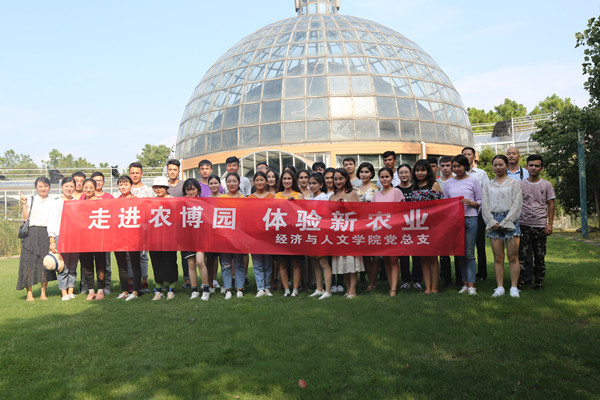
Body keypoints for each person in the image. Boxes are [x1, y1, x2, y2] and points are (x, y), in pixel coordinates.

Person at [481, 154, 523, 299]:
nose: (498, 167)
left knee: (513, 257)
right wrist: (491, 221)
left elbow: (517, 203)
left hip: (511, 221)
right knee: (498, 257)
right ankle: (499, 287)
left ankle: (514, 287)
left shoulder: (514, 183)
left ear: (506, 165)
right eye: (495, 165)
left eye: (501, 164)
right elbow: (484, 205)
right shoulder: (488, 184)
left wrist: (507, 220)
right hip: (494, 221)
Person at [444, 155, 482, 295]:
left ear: (465, 166)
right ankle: (464, 283)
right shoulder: (448, 183)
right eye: (454, 166)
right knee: (459, 252)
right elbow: (445, 202)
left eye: (459, 166)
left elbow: (481, 200)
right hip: (455, 220)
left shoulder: (473, 181)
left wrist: (471, 203)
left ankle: (472, 284)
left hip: (470, 218)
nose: (456, 169)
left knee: (469, 253)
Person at [518, 155, 555, 291]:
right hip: (523, 224)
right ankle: (520, 282)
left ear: (541, 168)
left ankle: (538, 283)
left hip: (540, 225)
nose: (533, 168)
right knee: (522, 256)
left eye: (537, 166)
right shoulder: (520, 184)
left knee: (539, 256)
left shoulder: (546, 185)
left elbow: (551, 204)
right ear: (526, 167)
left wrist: (549, 224)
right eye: (531, 165)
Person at [17, 177, 57, 301]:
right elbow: (25, 218)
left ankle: (43, 293)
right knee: (28, 264)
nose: (43, 188)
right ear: (36, 187)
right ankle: (29, 293)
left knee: (44, 265)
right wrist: (24, 205)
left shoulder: (53, 201)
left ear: (49, 187)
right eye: (40, 186)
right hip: (31, 234)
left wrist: (52, 239)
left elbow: (54, 220)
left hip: (46, 233)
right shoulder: (30, 199)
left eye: (45, 186)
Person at [329, 168, 364, 298]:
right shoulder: (332, 196)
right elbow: (329, 215)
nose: (338, 181)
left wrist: (345, 207)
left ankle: (352, 290)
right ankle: (347, 288)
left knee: (351, 261)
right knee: (342, 262)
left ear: (346, 179)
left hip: (351, 232)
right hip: (338, 233)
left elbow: (359, 212)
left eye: (341, 178)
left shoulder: (352, 194)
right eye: (335, 179)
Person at [411, 160, 443, 295]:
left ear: (428, 171)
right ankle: (427, 288)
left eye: (423, 170)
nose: (420, 173)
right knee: (423, 258)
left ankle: (435, 288)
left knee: (433, 258)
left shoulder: (434, 184)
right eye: (417, 170)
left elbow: (440, 205)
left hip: (432, 225)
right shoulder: (414, 186)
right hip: (418, 226)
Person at [373, 167, 405, 296]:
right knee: (385, 259)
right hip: (381, 230)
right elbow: (372, 213)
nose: (384, 179)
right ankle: (391, 286)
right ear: (379, 179)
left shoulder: (397, 192)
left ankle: (394, 288)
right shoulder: (376, 195)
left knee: (393, 258)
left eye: (387, 176)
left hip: (394, 229)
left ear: (391, 178)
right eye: (382, 177)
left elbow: (403, 211)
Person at [48, 177, 79, 301]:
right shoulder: (56, 203)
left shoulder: (77, 202)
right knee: (63, 266)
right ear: (62, 187)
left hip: (75, 237)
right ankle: (64, 293)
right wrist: (52, 240)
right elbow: (52, 221)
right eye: (66, 186)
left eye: (71, 186)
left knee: (73, 265)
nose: (69, 189)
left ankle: (71, 291)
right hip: (60, 236)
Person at [275, 168, 304, 297]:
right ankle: (286, 289)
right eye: (284, 179)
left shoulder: (299, 195)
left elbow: (304, 213)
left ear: (293, 180)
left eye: (289, 178)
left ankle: (295, 289)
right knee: (282, 262)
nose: (286, 181)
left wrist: (295, 203)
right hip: (281, 233)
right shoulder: (277, 195)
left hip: (295, 233)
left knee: (296, 262)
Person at [149, 176, 179, 300]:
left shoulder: (174, 200)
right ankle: (159, 289)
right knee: (156, 262)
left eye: (161, 187)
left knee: (170, 262)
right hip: (154, 238)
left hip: (170, 238)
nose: (158, 189)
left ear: (166, 188)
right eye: (156, 187)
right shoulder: (150, 201)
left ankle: (171, 289)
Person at [462, 147, 489, 281]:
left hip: (478, 213)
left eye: (469, 154)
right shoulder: (456, 174)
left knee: (480, 245)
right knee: (464, 246)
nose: (467, 156)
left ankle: (482, 273)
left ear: (474, 157)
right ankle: (464, 275)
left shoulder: (481, 173)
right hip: (461, 214)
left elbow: (487, 193)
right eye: (464, 154)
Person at [114, 175, 142, 301]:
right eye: (121, 184)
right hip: (118, 238)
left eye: (126, 184)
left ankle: (135, 291)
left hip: (133, 237)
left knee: (135, 264)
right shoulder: (115, 202)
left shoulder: (136, 200)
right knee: (121, 265)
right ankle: (124, 290)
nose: (123, 187)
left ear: (131, 186)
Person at [181, 178, 210, 301]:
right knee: (191, 264)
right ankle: (194, 290)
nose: (191, 192)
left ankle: (206, 289)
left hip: (201, 237)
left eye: (193, 189)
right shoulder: (181, 203)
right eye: (188, 190)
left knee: (200, 261)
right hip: (187, 238)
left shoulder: (204, 202)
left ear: (197, 189)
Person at [219, 172, 246, 299]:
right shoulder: (221, 199)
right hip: (224, 237)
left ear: (239, 183)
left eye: (234, 181)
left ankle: (240, 288)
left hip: (239, 236)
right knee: (226, 263)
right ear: (226, 184)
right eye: (229, 181)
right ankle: (228, 289)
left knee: (239, 263)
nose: (232, 184)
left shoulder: (244, 199)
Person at [79, 178, 107, 300]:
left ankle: (100, 290)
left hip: (99, 238)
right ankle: (91, 290)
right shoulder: (79, 203)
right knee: (87, 264)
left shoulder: (101, 202)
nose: (88, 190)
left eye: (91, 187)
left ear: (95, 188)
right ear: (82, 188)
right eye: (86, 187)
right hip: (84, 239)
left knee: (101, 264)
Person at [306, 172, 333, 300]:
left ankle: (328, 290)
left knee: (323, 262)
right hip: (312, 233)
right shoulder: (311, 198)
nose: (311, 186)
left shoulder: (324, 197)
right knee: (315, 262)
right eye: (310, 183)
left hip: (322, 233)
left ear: (321, 184)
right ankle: (319, 288)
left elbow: (326, 215)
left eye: (314, 183)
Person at [248, 171, 275, 297]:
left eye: (262, 180)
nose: (259, 182)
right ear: (254, 182)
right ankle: (260, 288)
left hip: (268, 235)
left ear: (266, 181)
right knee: (257, 263)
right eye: (257, 180)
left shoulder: (272, 197)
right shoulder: (249, 198)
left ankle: (267, 287)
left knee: (268, 263)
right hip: (255, 235)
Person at [396, 163, 422, 291]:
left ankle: (417, 280)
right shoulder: (395, 190)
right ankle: (405, 280)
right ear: (397, 174)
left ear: (410, 174)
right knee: (403, 255)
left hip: (416, 225)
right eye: (401, 172)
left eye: (406, 172)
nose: (404, 175)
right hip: (401, 226)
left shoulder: (416, 188)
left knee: (417, 254)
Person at [128, 162, 153, 293]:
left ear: (142, 174)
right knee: (129, 254)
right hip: (129, 226)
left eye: (137, 173)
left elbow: (152, 206)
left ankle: (144, 279)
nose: (135, 175)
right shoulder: (126, 188)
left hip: (144, 226)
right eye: (132, 173)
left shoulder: (148, 190)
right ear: (129, 174)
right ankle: (131, 280)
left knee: (143, 255)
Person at [165, 159, 190, 288]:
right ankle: (171, 280)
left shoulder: (184, 185)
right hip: (168, 226)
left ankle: (188, 280)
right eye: (170, 169)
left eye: (175, 169)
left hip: (183, 224)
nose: (172, 172)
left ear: (179, 171)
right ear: (167, 171)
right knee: (170, 256)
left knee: (186, 254)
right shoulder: (163, 186)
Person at [354, 162, 380, 288]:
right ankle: (370, 280)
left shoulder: (377, 188)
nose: (364, 174)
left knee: (375, 255)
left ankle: (372, 282)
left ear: (371, 173)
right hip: (359, 225)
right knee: (364, 255)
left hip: (373, 224)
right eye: (361, 172)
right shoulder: (354, 190)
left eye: (366, 172)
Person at [437, 155, 461, 287]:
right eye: (443, 166)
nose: (445, 168)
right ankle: (446, 279)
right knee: (443, 252)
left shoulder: (458, 181)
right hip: (441, 222)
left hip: (456, 219)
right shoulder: (436, 183)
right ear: (439, 167)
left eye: (448, 165)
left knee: (458, 250)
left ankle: (459, 278)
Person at [91, 171, 113, 293]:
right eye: (95, 180)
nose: (98, 183)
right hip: (90, 236)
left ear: (103, 182)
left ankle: (106, 286)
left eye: (100, 180)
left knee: (106, 263)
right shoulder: (85, 196)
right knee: (88, 263)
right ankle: (87, 287)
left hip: (105, 236)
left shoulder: (109, 197)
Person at [205, 174, 223, 292]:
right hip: (210, 234)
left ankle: (225, 285)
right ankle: (210, 284)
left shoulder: (225, 198)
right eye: (211, 183)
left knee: (224, 260)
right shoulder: (205, 199)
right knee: (210, 260)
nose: (213, 185)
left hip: (223, 234)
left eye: (216, 183)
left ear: (219, 184)